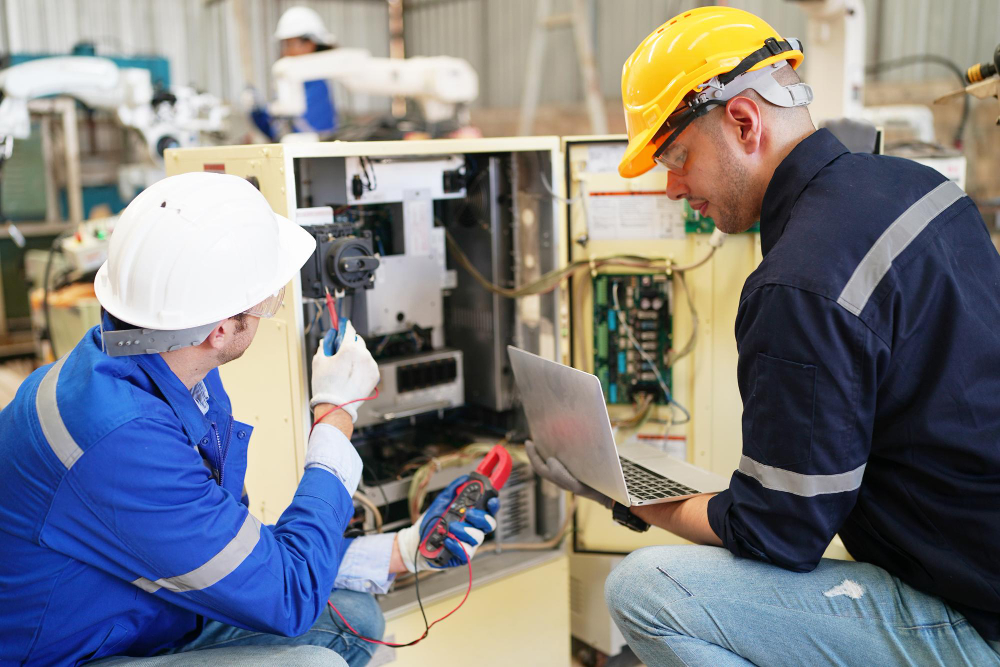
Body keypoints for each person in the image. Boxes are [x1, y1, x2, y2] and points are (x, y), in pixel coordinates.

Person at [528, 6, 1000, 666]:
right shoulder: (918, 185)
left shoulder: (798, 281)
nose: (672, 188)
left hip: (970, 618)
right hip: (979, 559)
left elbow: (778, 534)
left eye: (676, 157)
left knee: (644, 590)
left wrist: (623, 493)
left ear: (745, 122)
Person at [0, 172, 499, 666]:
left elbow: (235, 548)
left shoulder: (170, 374)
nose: (268, 310)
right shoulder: (119, 438)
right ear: (219, 330)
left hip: (139, 613)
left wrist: (405, 551)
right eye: (268, 301)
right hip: (67, 654)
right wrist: (335, 418)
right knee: (315, 664)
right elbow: (287, 596)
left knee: (354, 618)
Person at [251, 6, 338, 140]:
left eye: (290, 44)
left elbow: (305, 129)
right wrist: (257, 113)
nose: (285, 51)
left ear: (310, 44)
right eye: (284, 45)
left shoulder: (315, 83)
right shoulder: (293, 80)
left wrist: (272, 112)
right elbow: (275, 132)